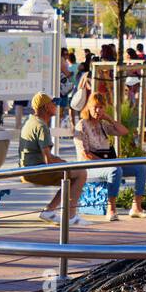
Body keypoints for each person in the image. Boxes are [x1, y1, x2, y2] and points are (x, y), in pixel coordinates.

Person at [18, 92, 86, 223]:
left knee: (71, 176)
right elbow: (48, 160)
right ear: (45, 107)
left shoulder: (30, 121)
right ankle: (71, 216)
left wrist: (63, 163)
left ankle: (49, 210)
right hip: (34, 172)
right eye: (53, 103)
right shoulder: (41, 126)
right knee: (81, 173)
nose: (55, 106)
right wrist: (64, 163)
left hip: (27, 170)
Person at [75, 90, 129, 222]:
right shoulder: (82, 125)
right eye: (95, 107)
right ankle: (111, 209)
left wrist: (109, 119)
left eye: (101, 107)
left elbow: (124, 131)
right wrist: (106, 163)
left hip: (107, 163)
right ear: (88, 107)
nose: (98, 110)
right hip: (90, 166)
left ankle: (136, 207)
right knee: (115, 170)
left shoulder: (103, 124)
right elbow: (84, 154)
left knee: (140, 168)